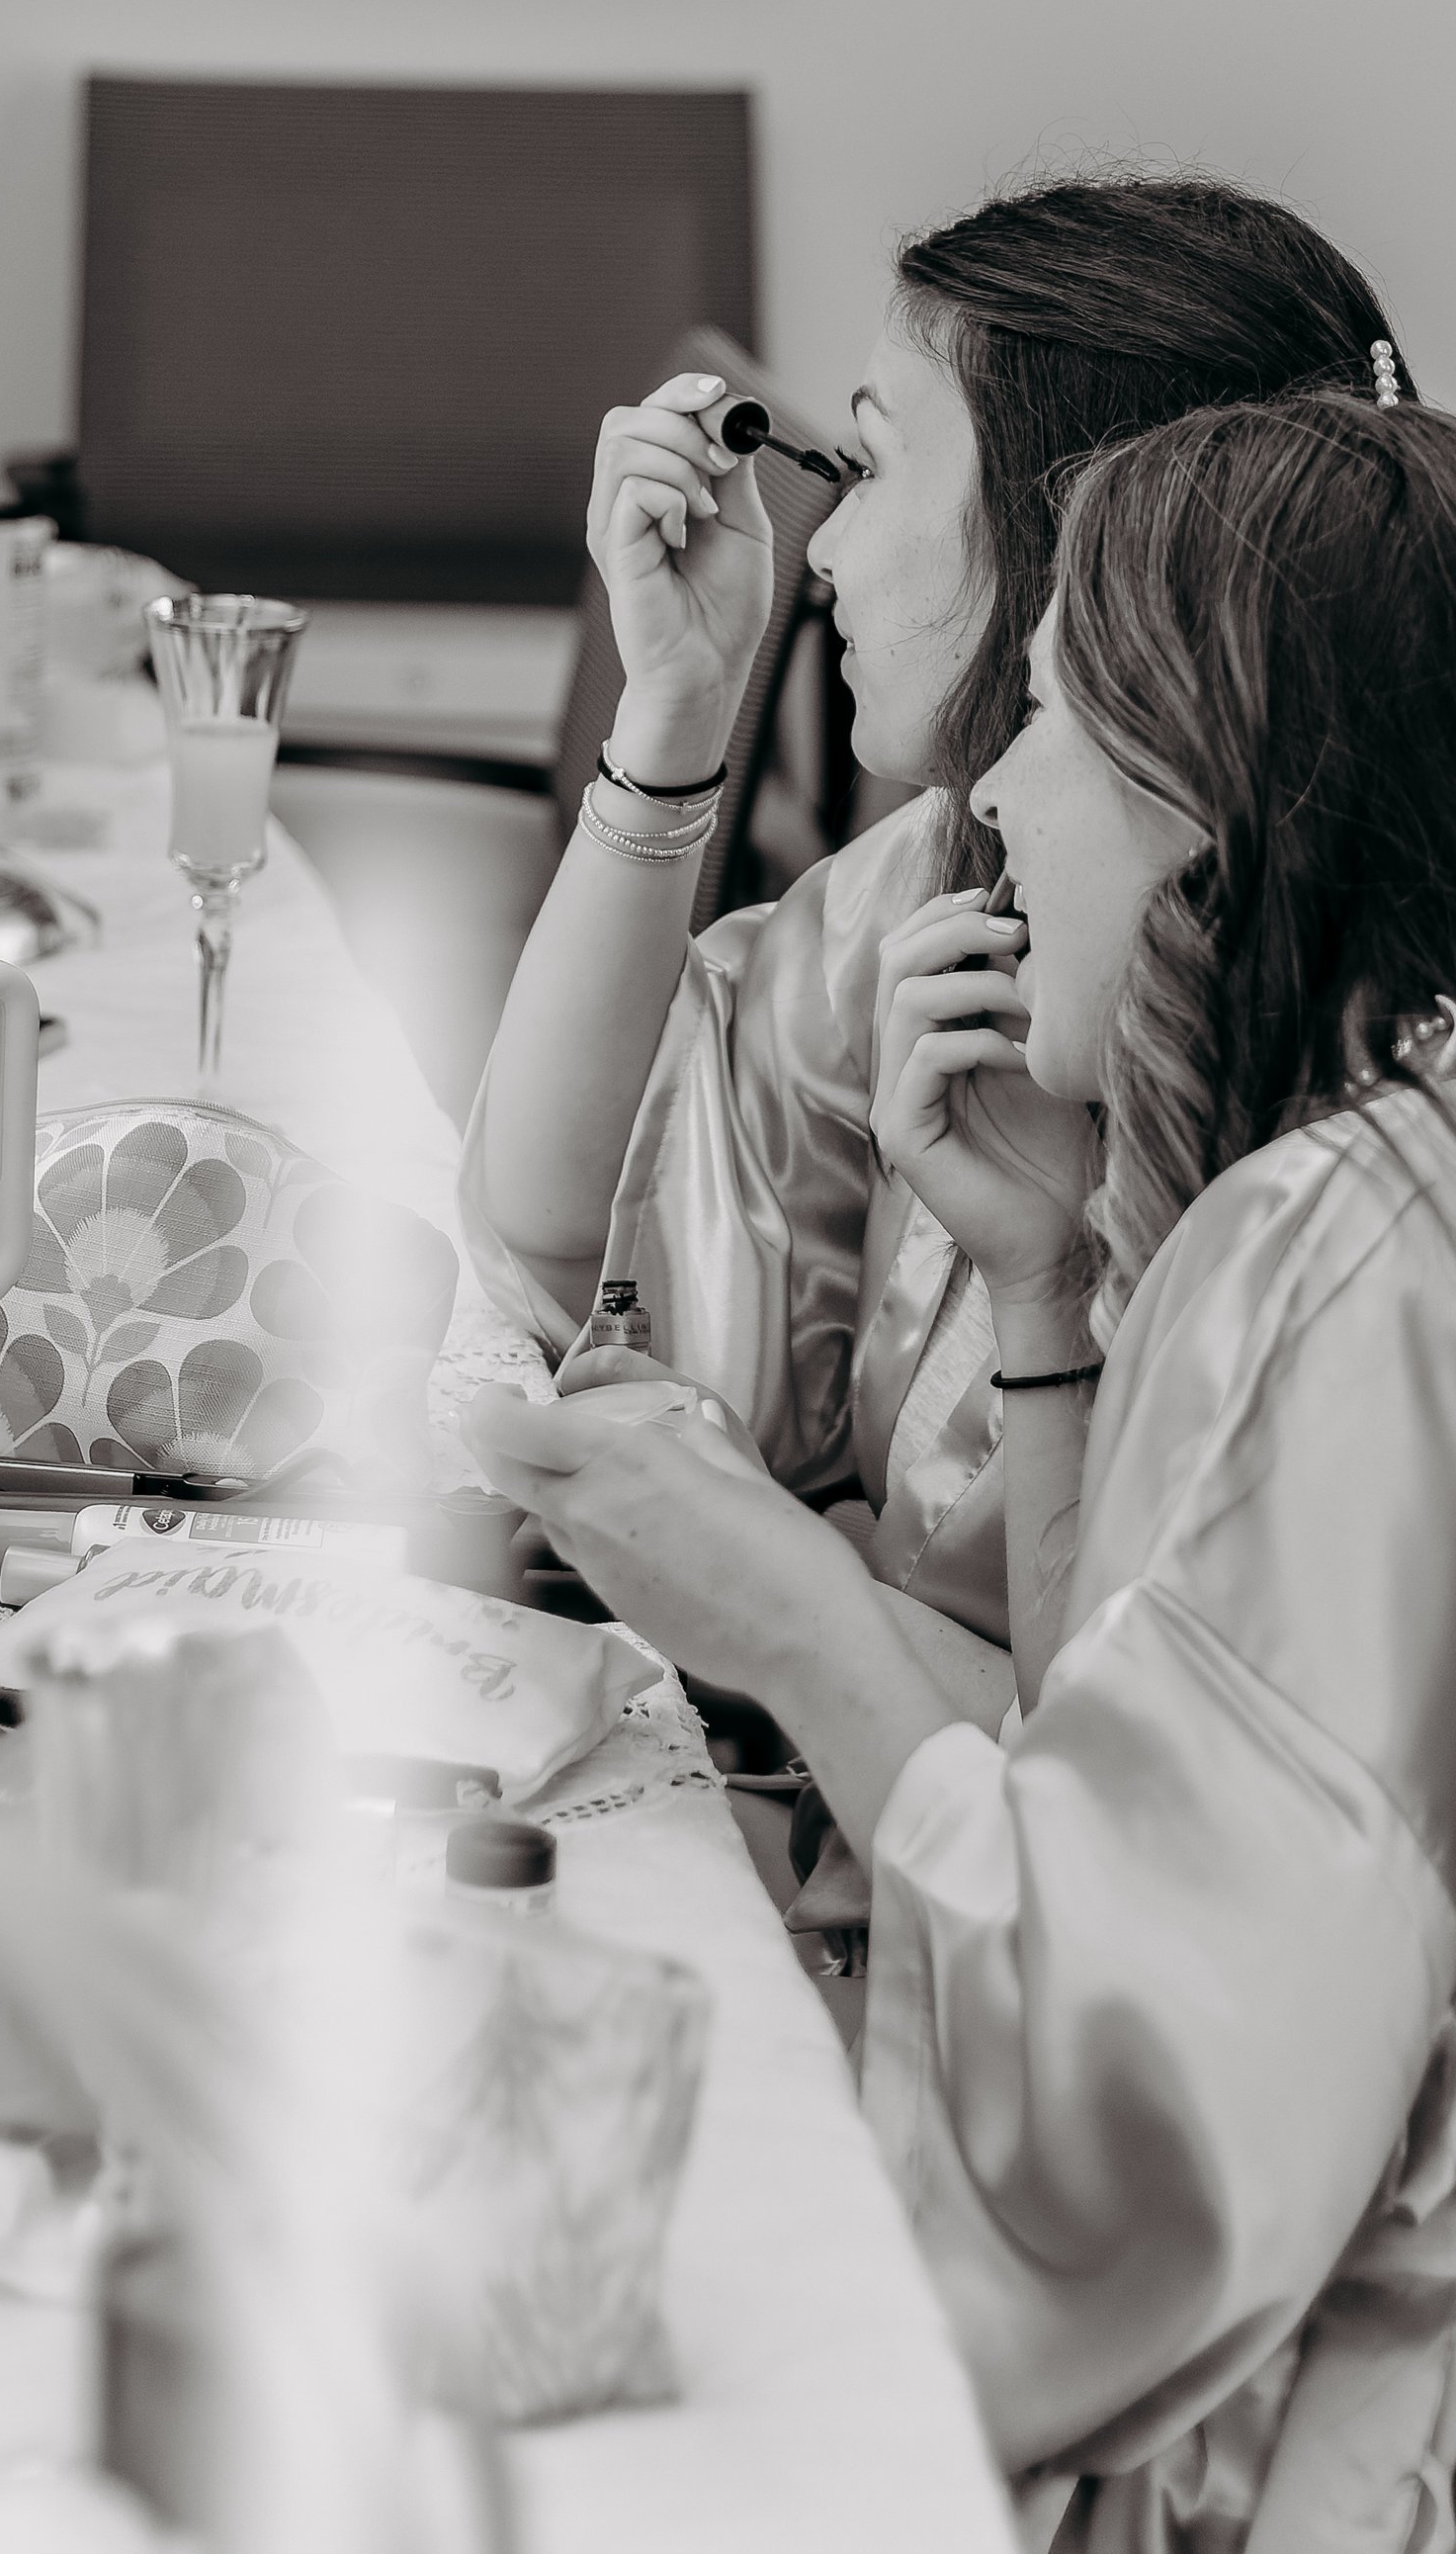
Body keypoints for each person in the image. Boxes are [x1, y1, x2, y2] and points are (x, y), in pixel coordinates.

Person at [466, 387, 1456, 2554]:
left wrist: (792, 1615)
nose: (994, 796)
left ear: (1222, 802)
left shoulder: (1345, 1263)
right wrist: (1035, 1283)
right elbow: (1207, 1796)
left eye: (1064, 728)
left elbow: (1149, 2149)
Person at [466, 171, 1401, 1722]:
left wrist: (813, 1593)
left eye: (873, 468)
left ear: (1071, 550)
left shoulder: (1337, 1157)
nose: (824, 549)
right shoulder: (959, 880)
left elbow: (1160, 1804)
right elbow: (571, 1238)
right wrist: (677, 718)